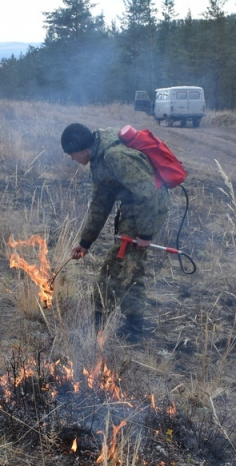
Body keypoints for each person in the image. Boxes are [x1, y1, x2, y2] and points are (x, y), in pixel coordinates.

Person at [61, 122, 169, 341]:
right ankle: (132, 327)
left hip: (148, 208)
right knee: (130, 267)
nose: (71, 159)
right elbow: (100, 203)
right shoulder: (98, 159)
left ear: (82, 149)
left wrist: (145, 234)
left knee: (117, 266)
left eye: (71, 154)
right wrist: (85, 242)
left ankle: (98, 327)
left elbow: (148, 193)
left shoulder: (114, 156)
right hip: (134, 207)